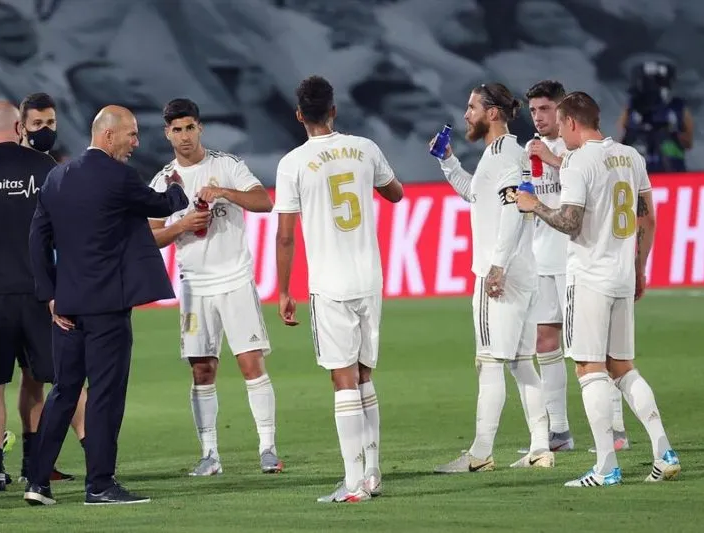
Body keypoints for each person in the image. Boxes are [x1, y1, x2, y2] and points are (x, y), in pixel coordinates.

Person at [24, 105, 188, 506]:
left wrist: (49, 295)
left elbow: (36, 240)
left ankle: (36, 481)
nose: (136, 142)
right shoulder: (117, 177)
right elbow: (163, 206)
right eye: (131, 134)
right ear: (108, 135)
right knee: (105, 394)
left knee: (64, 390)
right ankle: (99, 484)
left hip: (68, 306)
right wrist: (177, 186)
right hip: (108, 307)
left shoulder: (57, 177)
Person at [515, 91, 681, 487]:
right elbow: (647, 219)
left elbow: (571, 222)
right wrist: (639, 268)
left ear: (570, 122)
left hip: (589, 276)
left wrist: (532, 204)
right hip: (623, 274)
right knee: (622, 367)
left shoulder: (577, 160)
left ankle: (606, 466)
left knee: (589, 369)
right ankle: (664, 450)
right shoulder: (631, 156)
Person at [274, 75, 404, 503]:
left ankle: (352, 484)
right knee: (365, 374)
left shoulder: (293, 162)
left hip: (328, 284)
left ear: (299, 115)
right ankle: (371, 473)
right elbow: (396, 194)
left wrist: (283, 290)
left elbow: (286, 236)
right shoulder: (365, 148)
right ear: (334, 110)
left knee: (343, 378)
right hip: (369, 278)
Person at [148, 98, 283, 476]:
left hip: (235, 280)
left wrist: (223, 192)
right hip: (194, 286)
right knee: (202, 370)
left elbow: (263, 201)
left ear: (200, 128)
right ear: (167, 134)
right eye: (177, 129)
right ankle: (210, 455)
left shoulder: (226, 165)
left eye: (190, 127)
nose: (185, 136)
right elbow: (150, 233)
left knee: (250, 363)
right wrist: (181, 226)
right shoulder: (163, 181)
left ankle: (268, 447)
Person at [431, 83, 554, 474]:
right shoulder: (503, 155)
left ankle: (480, 453)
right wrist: (448, 161)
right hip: (524, 271)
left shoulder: (503, 156)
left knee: (489, 362)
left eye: (472, 107)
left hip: (499, 272)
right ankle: (540, 447)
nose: (466, 114)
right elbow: (477, 196)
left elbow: (514, 211)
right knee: (520, 362)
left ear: (494, 113)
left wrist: (496, 265)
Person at [0, 100, 58, 492]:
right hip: (36, 292)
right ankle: (34, 463)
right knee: (37, 380)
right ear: (18, 126)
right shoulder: (44, 168)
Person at [14, 92, 84, 484]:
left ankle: (34, 463)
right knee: (61, 374)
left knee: (34, 377)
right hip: (23, 290)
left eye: (51, 124)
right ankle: (93, 454)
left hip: (44, 287)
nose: (45, 130)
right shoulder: (18, 169)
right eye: (38, 124)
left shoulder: (55, 170)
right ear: (21, 127)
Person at [518, 80, 575, 457]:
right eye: (533, 110)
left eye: (545, 109)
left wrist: (553, 160)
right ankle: (559, 430)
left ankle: (617, 428)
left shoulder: (576, 146)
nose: (538, 117)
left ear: (562, 110)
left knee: (592, 346)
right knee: (545, 343)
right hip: (543, 257)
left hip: (575, 258)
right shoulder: (530, 149)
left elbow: (587, 185)